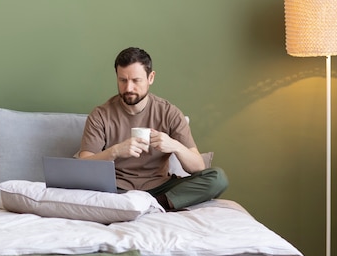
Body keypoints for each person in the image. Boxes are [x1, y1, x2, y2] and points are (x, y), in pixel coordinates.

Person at [78, 46, 228, 210]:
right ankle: (136, 204)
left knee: (217, 178)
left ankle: (155, 205)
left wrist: (174, 146)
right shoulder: (101, 115)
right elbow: (83, 165)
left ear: (151, 77)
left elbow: (198, 166)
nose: (128, 88)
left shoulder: (169, 112)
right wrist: (115, 151)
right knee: (72, 188)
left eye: (136, 80)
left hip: (160, 188)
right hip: (116, 189)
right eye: (122, 80)